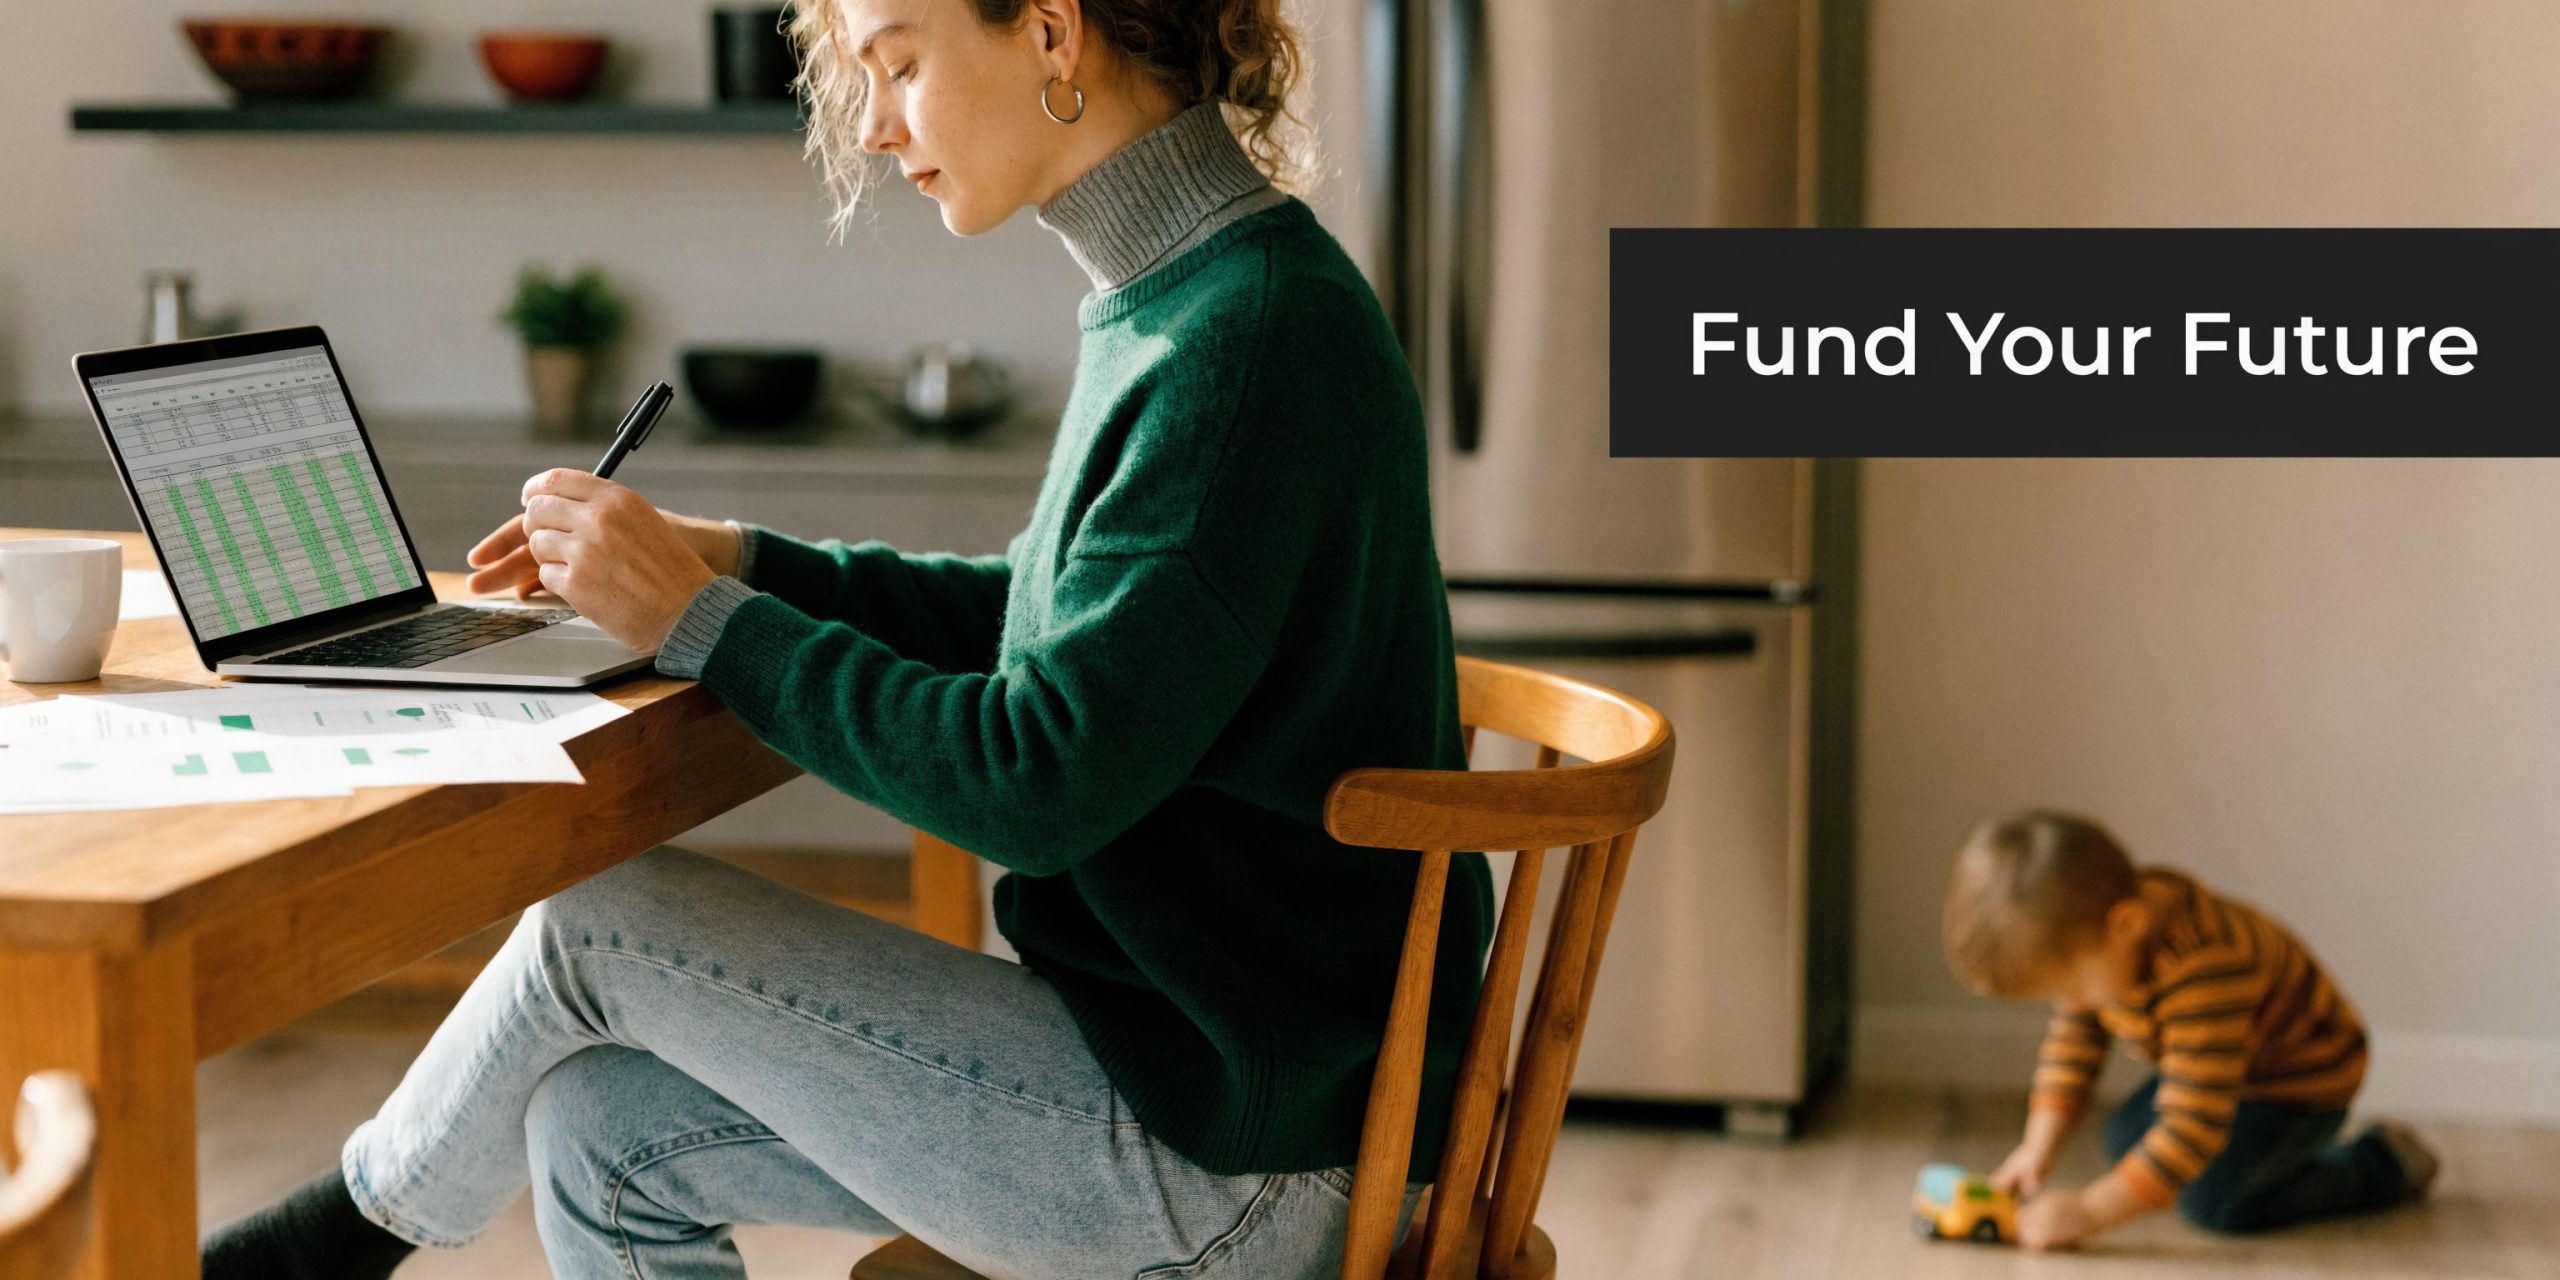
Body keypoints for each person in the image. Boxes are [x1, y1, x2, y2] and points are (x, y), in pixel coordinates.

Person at [199, 0, 1491, 1274]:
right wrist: (741, 563)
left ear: (1052, 34)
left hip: (1241, 1160)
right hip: (1198, 1084)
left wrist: (702, 623)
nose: (874, 128)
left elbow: (1039, 779)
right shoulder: (1197, 296)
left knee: (601, 921)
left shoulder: (1243, 337)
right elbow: (1044, 632)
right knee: (596, 1128)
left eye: (901, 65)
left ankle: (325, 1247)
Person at [1941, 809, 2437, 1251]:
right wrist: (2036, 1147)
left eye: (2073, 989)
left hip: (2296, 1085)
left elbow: (2193, 1126)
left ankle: (2381, 1164)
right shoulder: (2097, 939)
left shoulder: (2205, 969)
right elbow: (2075, 1043)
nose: (2069, 1006)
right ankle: (2258, 1163)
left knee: (2214, 1203)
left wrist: (2093, 1211)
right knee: (2124, 1138)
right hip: (2219, 1066)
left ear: (2126, 923)